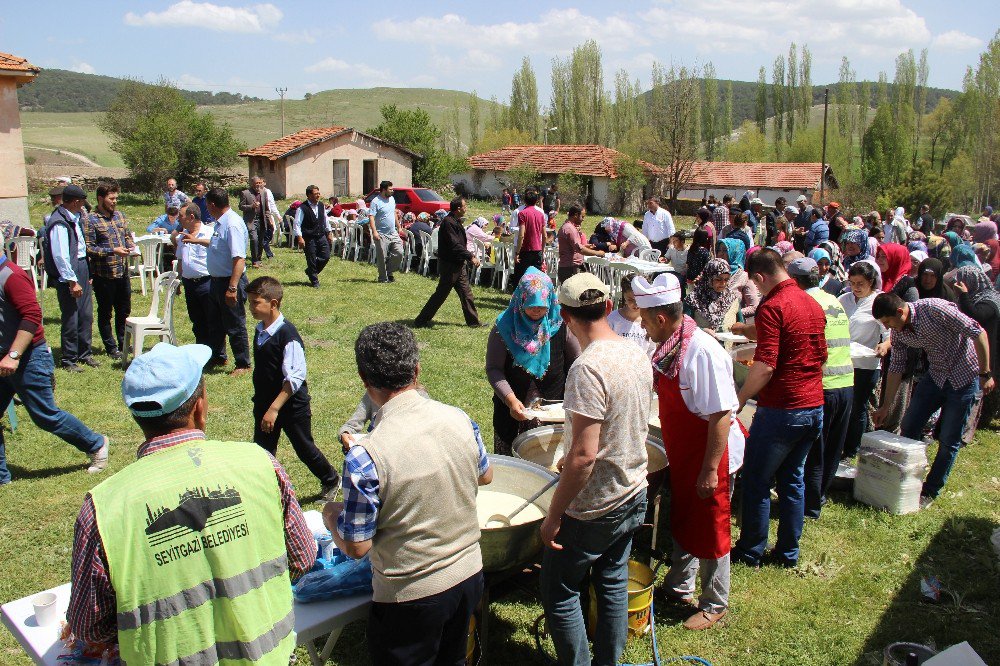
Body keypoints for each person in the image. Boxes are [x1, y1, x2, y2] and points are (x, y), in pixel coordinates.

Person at [68, 342, 311, 663]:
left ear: (137, 416)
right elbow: (302, 559)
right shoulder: (261, 464)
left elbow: (88, 626)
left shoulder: (103, 507)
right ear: (201, 406)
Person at [325, 322, 492, 665]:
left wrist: (332, 518)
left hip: (410, 596)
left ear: (364, 380)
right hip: (469, 573)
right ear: (417, 370)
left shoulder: (365, 454)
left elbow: (357, 547)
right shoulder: (458, 418)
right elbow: (486, 474)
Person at [540, 273, 650, 666]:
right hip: (634, 488)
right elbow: (620, 424)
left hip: (594, 506)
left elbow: (585, 457)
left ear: (566, 318)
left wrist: (554, 517)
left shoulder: (586, 369)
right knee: (612, 582)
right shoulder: (635, 350)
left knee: (561, 592)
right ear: (607, 307)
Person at [633, 272, 744, 630]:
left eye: (647, 321)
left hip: (712, 453)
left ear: (662, 318)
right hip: (684, 452)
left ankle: (715, 601)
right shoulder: (671, 347)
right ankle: (679, 585)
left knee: (712, 525)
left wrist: (711, 470)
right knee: (684, 516)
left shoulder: (702, 352)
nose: (645, 327)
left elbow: (721, 416)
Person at [732, 249, 826, 568]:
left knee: (757, 479)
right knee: (792, 479)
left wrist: (741, 398)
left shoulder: (772, 306)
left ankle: (749, 551)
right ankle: (788, 553)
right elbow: (819, 353)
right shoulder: (812, 303)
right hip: (814, 407)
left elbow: (765, 365)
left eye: (756, 285)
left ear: (760, 278)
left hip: (783, 409)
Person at [872, 292, 994, 507]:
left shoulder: (935, 309)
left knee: (949, 439)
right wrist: (886, 406)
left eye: (888, 322)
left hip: (964, 375)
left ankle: (931, 490)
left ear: (900, 311)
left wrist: (985, 373)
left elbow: (978, 332)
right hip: (936, 376)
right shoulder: (899, 332)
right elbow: (896, 368)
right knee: (909, 426)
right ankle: (907, 479)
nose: (889, 328)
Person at [247, 276, 340, 499]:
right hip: (265, 403)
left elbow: (295, 378)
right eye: (249, 302)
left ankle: (331, 479)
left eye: (255, 303)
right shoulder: (261, 330)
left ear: (273, 303)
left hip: (290, 406)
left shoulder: (287, 336)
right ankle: (265, 493)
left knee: (304, 447)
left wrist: (275, 408)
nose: (250, 308)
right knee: (262, 452)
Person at [786, 258, 854, 520]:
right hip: (846, 384)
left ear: (794, 281)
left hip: (822, 386)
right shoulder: (834, 299)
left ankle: (810, 506)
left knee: (814, 452)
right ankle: (819, 497)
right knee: (833, 448)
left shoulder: (806, 305)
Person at [486, 267, 580, 453]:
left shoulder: (560, 323)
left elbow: (576, 363)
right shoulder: (504, 326)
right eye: (530, 304)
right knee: (513, 463)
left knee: (548, 463)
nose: (536, 309)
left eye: (542, 304)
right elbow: (494, 368)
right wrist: (510, 400)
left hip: (553, 412)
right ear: (520, 298)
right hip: (512, 411)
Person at [43, 184, 97, 372]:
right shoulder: (59, 222)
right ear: (75, 202)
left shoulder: (73, 218)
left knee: (85, 314)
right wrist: (72, 281)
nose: (83, 205)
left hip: (81, 267)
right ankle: (69, 358)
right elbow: (61, 256)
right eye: (82, 202)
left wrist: (86, 273)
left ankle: (84, 352)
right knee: (71, 315)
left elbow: (80, 249)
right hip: (69, 273)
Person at [839, 261, 887, 461]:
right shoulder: (844, 299)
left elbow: (889, 331)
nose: (856, 288)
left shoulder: (878, 302)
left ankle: (852, 449)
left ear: (871, 282)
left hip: (866, 364)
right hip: (843, 361)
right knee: (842, 405)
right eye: (852, 283)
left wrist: (885, 345)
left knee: (858, 406)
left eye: (860, 283)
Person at [84, 182, 134, 361]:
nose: (115, 202)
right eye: (111, 198)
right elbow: (89, 249)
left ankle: (123, 342)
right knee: (106, 312)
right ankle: (110, 346)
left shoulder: (119, 216)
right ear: (100, 199)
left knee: (124, 310)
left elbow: (126, 236)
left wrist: (130, 246)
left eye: (116, 198)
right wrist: (113, 251)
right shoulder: (91, 219)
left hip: (122, 272)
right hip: (104, 275)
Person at [414, 197, 483, 328]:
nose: (466, 208)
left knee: (466, 293)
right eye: (465, 206)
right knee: (440, 295)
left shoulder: (455, 221)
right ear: (458, 209)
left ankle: (473, 322)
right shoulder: (448, 222)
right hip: (450, 265)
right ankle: (421, 320)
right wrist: (470, 256)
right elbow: (455, 245)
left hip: (458, 264)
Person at [204, 187, 251, 374]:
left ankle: (243, 363)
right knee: (216, 323)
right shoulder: (220, 223)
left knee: (234, 323)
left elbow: (239, 258)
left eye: (207, 205)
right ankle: (218, 357)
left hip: (230, 281)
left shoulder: (231, 224)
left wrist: (232, 288)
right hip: (217, 281)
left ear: (212, 204)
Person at [954, 265, 1000, 428]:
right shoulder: (971, 299)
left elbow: (977, 316)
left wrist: (964, 295)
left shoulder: (989, 300)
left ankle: (982, 419)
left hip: (990, 349)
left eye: (964, 281)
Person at [175, 202, 215, 350]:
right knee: (196, 319)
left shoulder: (209, 233)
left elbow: (218, 248)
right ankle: (201, 349)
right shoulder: (182, 236)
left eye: (181, 216)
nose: (178, 218)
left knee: (211, 319)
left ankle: (216, 353)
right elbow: (180, 259)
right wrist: (178, 280)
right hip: (189, 283)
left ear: (191, 217)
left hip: (207, 282)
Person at [293, 185, 335, 288]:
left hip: (321, 235)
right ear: (309, 195)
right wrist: (300, 237)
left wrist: (329, 232)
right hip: (309, 237)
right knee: (311, 259)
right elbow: (297, 224)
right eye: (316, 194)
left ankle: (310, 271)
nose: (318, 195)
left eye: (318, 193)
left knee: (326, 256)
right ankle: (315, 281)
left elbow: (325, 219)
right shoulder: (302, 208)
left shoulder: (321, 205)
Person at [686, 258, 740, 335]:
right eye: (718, 279)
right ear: (708, 278)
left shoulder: (731, 297)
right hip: (701, 344)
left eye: (726, 279)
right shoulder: (693, 299)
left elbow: (741, 322)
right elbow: (684, 326)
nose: (723, 283)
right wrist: (702, 330)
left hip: (727, 346)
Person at [609, 275, 656, 356]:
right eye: (631, 300)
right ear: (624, 295)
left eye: (639, 299)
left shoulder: (650, 322)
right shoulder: (613, 319)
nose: (636, 304)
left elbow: (651, 349)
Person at [368, 181, 404, 283]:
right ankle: (383, 278)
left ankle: (389, 271)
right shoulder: (375, 202)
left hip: (393, 232)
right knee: (382, 257)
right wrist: (374, 232)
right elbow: (371, 217)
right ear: (384, 190)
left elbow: (394, 213)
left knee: (399, 252)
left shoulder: (391, 199)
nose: (392, 191)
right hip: (381, 233)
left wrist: (399, 227)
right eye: (390, 189)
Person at [557, 204, 604, 283]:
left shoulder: (567, 226)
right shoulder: (570, 229)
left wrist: (585, 246)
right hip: (570, 269)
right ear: (576, 215)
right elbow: (579, 249)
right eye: (582, 217)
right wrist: (597, 253)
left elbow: (572, 246)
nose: (583, 219)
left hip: (569, 267)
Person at [716, 238, 760, 321]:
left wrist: (734, 312)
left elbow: (754, 306)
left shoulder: (744, 277)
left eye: (725, 250)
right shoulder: (711, 272)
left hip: (734, 326)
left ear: (734, 253)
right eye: (719, 250)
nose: (721, 254)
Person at [514, 189, 547, 284]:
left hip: (526, 249)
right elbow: (544, 235)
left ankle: (520, 297)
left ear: (525, 201)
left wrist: (517, 253)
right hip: (537, 249)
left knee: (521, 276)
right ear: (536, 201)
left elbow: (521, 235)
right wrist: (543, 249)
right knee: (536, 278)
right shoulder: (541, 214)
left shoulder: (522, 214)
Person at [239, 176, 270, 268]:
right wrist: (251, 206)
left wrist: (269, 219)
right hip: (251, 220)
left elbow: (266, 208)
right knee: (254, 239)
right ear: (252, 184)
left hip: (261, 219)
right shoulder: (245, 193)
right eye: (257, 183)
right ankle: (254, 260)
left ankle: (259, 259)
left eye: (260, 183)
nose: (259, 185)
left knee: (260, 240)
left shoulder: (264, 193)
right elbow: (241, 206)